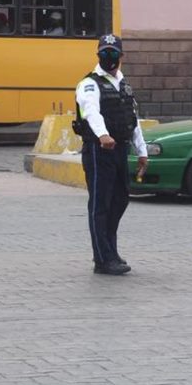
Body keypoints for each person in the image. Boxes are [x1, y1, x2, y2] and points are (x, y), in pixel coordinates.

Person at [71, 34, 148, 276]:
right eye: (104, 53)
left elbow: (132, 120)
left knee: (120, 200)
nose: (109, 58)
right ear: (98, 56)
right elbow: (91, 111)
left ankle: (110, 250)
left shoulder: (124, 85)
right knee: (100, 205)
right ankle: (103, 259)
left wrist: (142, 151)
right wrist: (103, 135)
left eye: (113, 53)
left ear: (121, 56)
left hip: (121, 149)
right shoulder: (89, 84)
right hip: (98, 150)